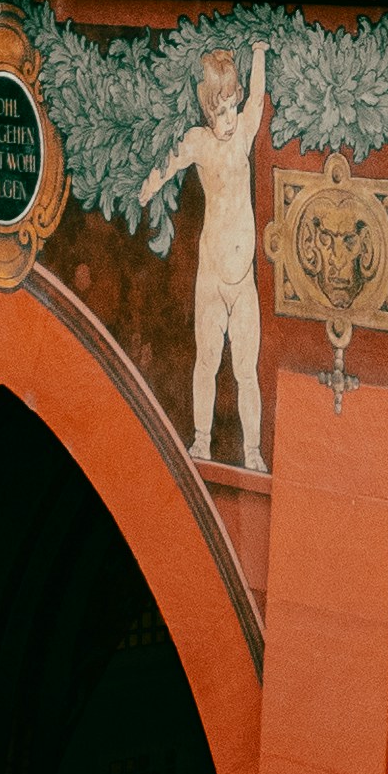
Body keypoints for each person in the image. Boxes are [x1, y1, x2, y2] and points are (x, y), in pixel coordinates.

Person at [139, 40, 268, 467]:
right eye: (219, 112)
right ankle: (201, 439)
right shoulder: (200, 142)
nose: (227, 119)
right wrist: (150, 185)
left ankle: (252, 452)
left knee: (246, 370)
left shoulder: (244, 135)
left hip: (242, 279)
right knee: (207, 361)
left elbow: (259, 96)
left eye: (231, 107)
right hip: (212, 274)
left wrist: (261, 54)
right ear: (206, 112)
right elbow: (170, 162)